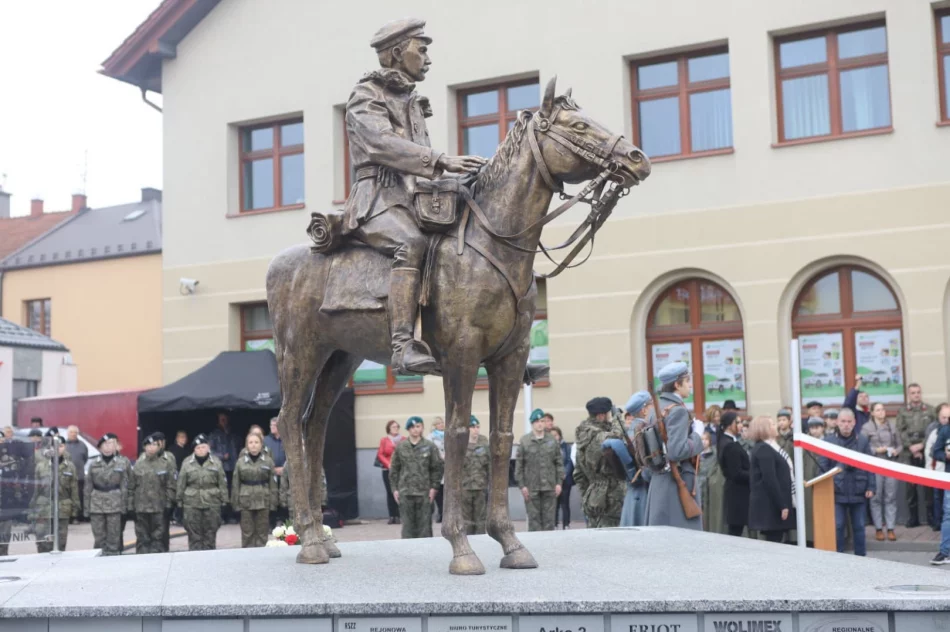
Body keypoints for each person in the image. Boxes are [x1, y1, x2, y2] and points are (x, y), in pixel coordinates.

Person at [343, 18, 487, 376]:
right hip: (378, 199)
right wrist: (441, 160)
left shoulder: (410, 100)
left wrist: (461, 177)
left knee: (470, 241)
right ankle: (403, 345)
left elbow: (417, 162)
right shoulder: (367, 95)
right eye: (421, 50)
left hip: (414, 196)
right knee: (411, 243)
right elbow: (381, 144)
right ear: (396, 52)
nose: (428, 58)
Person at [645, 363, 703, 530]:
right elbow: (676, 451)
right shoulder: (677, 411)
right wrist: (697, 435)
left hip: (660, 481)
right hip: (676, 483)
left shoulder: (655, 409)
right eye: (687, 381)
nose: (690, 385)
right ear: (677, 384)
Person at [820, 408, 875, 556]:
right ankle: (838, 557)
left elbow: (870, 465)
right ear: (837, 422)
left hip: (859, 489)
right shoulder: (829, 441)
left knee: (859, 526)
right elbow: (823, 467)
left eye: (849, 422)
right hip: (837, 490)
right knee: (838, 526)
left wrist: (871, 486)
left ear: (854, 422)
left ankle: (861, 557)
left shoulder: (862, 440)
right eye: (843, 421)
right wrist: (826, 487)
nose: (846, 425)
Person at [575, 397, 626, 528]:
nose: (610, 416)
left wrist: (589, 494)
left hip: (595, 497)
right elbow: (617, 436)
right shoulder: (597, 435)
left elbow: (578, 474)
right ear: (601, 415)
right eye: (609, 413)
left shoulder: (584, 434)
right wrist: (618, 418)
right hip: (610, 498)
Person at [389, 417, 443, 538]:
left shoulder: (430, 446)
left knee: (425, 528)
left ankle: (426, 549)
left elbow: (437, 469)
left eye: (418, 426)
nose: (415, 429)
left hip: (424, 493)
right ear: (408, 429)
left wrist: (434, 488)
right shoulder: (401, 447)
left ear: (422, 428)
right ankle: (409, 549)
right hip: (405, 492)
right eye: (412, 427)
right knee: (407, 528)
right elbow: (394, 470)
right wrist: (394, 489)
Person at [747, 416, 795, 543]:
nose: (776, 426)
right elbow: (770, 479)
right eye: (772, 424)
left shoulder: (768, 447)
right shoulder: (764, 449)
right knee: (774, 542)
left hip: (773, 505)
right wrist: (782, 505)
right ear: (764, 429)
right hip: (771, 506)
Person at [177, 434, 228, 551]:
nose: (201, 450)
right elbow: (181, 484)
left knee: (210, 535)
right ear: (194, 450)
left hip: (212, 503)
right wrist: (179, 504)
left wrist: (225, 502)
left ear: (208, 447)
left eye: (203, 447)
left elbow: (222, 483)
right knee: (194, 536)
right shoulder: (187, 463)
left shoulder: (216, 462)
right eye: (198, 448)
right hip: (192, 504)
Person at [516, 409, 564, 531]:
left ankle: (548, 543)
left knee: (549, 521)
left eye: (542, 421)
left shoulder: (552, 440)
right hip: (531, 488)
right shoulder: (525, 441)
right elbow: (519, 465)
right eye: (537, 421)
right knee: (534, 521)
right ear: (532, 423)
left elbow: (559, 463)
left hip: (549, 487)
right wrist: (522, 486)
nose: (540, 424)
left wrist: (559, 483)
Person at [896, 383, 935, 528]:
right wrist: (911, 446)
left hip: (925, 451)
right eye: (913, 393)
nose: (916, 395)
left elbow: (933, 430)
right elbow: (900, 431)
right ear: (909, 395)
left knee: (928, 486)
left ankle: (930, 517)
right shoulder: (902, 411)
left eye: (918, 392)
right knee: (910, 487)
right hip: (909, 452)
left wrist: (922, 445)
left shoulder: (930, 410)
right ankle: (913, 518)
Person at [128, 434, 175, 554]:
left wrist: (169, 504)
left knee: (158, 539)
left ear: (159, 447)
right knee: (142, 539)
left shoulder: (165, 463)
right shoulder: (138, 464)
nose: (151, 447)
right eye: (149, 445)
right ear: (144, 447)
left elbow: (170, 485)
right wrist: (130, 506)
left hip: (159, 507)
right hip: (141, 507)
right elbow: (131, 487)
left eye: (155, 445)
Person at [31, 436, 79, 552]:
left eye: (60, 446)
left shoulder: (70, 467)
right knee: (43, 541)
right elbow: (35, 490)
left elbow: (74, 489)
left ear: (65, 447)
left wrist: (75, 509)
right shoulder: (41, 466)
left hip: (63, 507)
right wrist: (31, 509)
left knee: (60, 542)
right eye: (54, 446)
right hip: (44, 508)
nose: (57, 449)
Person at [862, 402, 901, 541]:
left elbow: (900, 444)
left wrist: (896, 451)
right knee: (876, 497)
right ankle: (878, 528)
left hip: (890, 464)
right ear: (872, 413)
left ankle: (890, 528)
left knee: (891, 497)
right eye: (878, 410)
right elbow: (862, 447)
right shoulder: (866, 428)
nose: (881, 412)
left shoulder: (892, 426)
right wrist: (875, 450)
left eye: (883, 409)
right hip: (875, 465)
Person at [232, 433, 279, 548]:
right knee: (247, 532)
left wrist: (273, 503)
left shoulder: (268, 461)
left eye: (256, 442)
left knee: (262, 532)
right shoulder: (240, 462)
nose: (253, 445)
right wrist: (235, 503)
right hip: (245, 500)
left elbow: (273, 484)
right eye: (251, 442)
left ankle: (262, 555)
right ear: (247, 445)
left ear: (261, 445)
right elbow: (235, 484)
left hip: (263, 499)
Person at [85, 435, 128, 556]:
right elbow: (87, 487)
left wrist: (125, 507)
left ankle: (113, 560)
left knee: (114, 538)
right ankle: (99, 561)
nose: (108, 447)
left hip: (115, 504)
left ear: (115, 446)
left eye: (111, 444)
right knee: (99, 538)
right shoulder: (93, 464)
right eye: (105, 444)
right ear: (100, 447)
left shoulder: (121, 463)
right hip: (97, 504)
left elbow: (125, 486)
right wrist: (86, 509)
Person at [620, 391, 653, 527]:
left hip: (632, 493)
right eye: (651, 405)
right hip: (644, 492)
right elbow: (649, 469)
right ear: (644, 410)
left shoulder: (629, 430)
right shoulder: (645, 431)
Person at [718, 411, 751, 537]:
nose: (741, 425)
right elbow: (736, 473)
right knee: (735, 531)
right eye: (737, 422)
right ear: (730, 425)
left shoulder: (728, 441)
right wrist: (754, 475)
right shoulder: (729, 444)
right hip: (737, 493)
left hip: (737, 492)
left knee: (736, 530)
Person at [460, 416, 489, 535]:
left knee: (481, 520)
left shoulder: (484, 443)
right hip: (464, 488)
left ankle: (480, 541)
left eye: (477, 427)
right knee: (466, 521)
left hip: (480, 487)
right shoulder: (460, 443)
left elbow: (489, 465)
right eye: (472, 427)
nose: (476, 430)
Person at [209, 411, 238, 524]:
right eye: (221, 419)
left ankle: (231, 515)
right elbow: (210, 451)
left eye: (225, 419)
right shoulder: (214, 434)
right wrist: (222, 456)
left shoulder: (233, 434)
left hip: (233, 467)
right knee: (220, 493)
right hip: (220, 468)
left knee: (231, 492)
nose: (223, 421)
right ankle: (221, 516)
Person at [801, 417, 826, 545]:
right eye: (812, 428)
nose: (815, 430)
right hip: (809, 479)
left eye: (817, 427)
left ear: (823, 428)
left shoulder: (827, 442)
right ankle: (811, 537)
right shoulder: (806, 444)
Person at [926, 403, 950, 532]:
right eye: (944, 417)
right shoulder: (940, 431)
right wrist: (946, 456)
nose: (946, 420)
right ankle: (939, 525)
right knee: (943, 506)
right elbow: (934, 452)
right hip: (943, 474)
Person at [376, 420, 404, 525]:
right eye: (393, 427)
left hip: (400, 470)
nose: (395, 428)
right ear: (389, 428)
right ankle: (392, 516)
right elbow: (380, 454)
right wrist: (388, 464)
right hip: (387, 470)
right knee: (390, 492)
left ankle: (399, 515)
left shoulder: (403, 439)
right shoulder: (384, 440)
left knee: (400, 491)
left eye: (397, 427)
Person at [931, 417, 950, 564]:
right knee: (948, 515)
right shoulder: (945, 430)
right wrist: (946, 456)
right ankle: (945, 552)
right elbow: (935, 452)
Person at [699, 430, 725, 534]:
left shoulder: (714, 456)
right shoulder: (697, 456)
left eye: (706, 439)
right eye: (702, 439)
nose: (704, 442)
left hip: (708, 486)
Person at [64, 425, 88, 524]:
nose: (73, 434)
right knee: (67, 497)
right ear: (67, 433)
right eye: (71, 432)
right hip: (65, 476)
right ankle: (67, 517)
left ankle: (77, 516)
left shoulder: (82, 445)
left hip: (79, 476)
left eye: (75, 432)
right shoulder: (63, 445)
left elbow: (85, 458)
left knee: (78, 497)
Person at [552, 426, 574, 529]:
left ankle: (566, 524)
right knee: (555, 504)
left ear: (560, 435)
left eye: (556, 435)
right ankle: (554, 523)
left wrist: (564, 473)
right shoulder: (549, 448)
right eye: (552, 435)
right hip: (554, 479)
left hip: (565, 479)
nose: (554, 437)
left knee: (565, 503)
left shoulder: (566, 447)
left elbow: (569, 461)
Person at [427, 417, 446, 523]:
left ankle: (445, 512)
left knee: (445, 489)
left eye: (442, 422)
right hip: (436, 465)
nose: (441, 425)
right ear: (435, 425)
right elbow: (430, 450)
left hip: (447, 466)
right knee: (437, 490)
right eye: (438, 423)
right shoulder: (431, 437)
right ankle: (440, 511)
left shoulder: (448, 434)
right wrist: (439, 456)